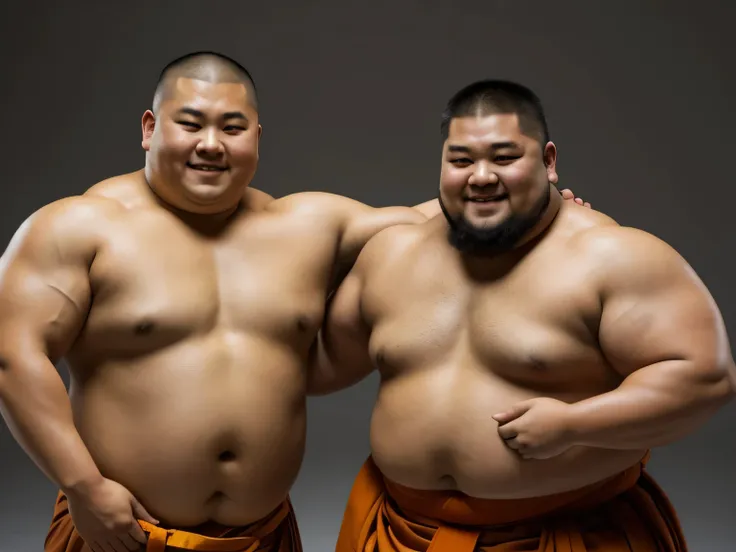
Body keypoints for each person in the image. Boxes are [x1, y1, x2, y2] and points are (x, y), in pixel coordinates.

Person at [0, 51, 589, 552]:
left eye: (232, 127)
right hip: (122, 528)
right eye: (191, 123)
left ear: (256, 138)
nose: (211, 144)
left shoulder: (307, 224)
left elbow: (424, 221)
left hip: (265, 533)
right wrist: (82, 486)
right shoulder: (78, 227)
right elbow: (13, 355)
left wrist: (548, 206)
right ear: (151, 128)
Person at [309, 79, 736, 551]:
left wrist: (575, 424)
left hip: (559, 532)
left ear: (549, 162)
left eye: (505, 157)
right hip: (397, 530)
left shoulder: (613, 257)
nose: (481, 176)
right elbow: (319, 366)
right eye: (462, 160)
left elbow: (705, 380)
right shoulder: (393, 253)